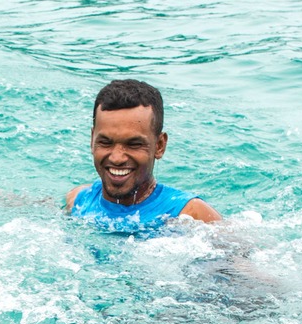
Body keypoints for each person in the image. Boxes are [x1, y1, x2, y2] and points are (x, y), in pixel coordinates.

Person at [65, 79, 220, 233]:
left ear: (159, 146)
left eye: (134, 144)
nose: (117, 158)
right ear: (92, 140)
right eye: (106, 142)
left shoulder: (192, 215)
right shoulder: (78, 201)